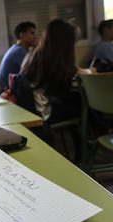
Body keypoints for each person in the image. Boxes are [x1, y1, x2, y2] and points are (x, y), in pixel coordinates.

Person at [12, 19, 90, 160]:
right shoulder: (54, 59)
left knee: (77, 101)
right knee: (83, 104)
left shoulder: (36, 54)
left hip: (35, 107)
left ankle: (84, 150)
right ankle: (85, 151)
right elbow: (61, 87)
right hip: (44, 111)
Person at [0, 21, 37, 91]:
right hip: (13, 94)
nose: (35, 37)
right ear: (22, 35)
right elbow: (34, 72)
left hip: (11, 90)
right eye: (32, 33)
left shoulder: (15, 49)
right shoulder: (19, 51)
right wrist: (38, 48)